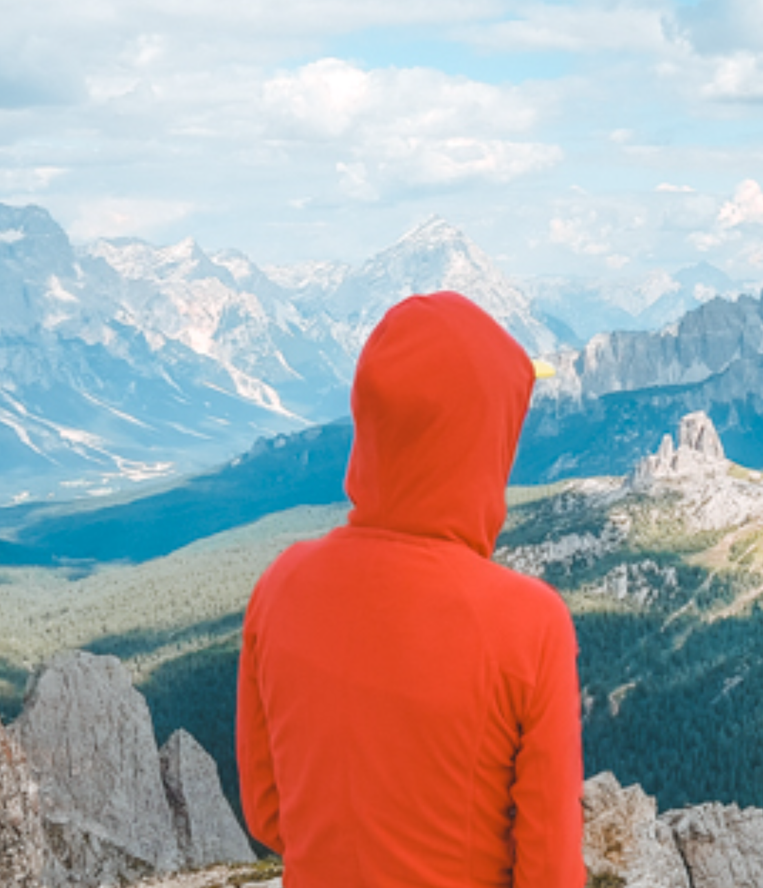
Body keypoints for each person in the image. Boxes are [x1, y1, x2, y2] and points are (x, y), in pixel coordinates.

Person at [237, 291, 585, 888]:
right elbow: (550, 872)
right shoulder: (531, 624)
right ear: (483, 440)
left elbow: (270, 815)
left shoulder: (279, 585)